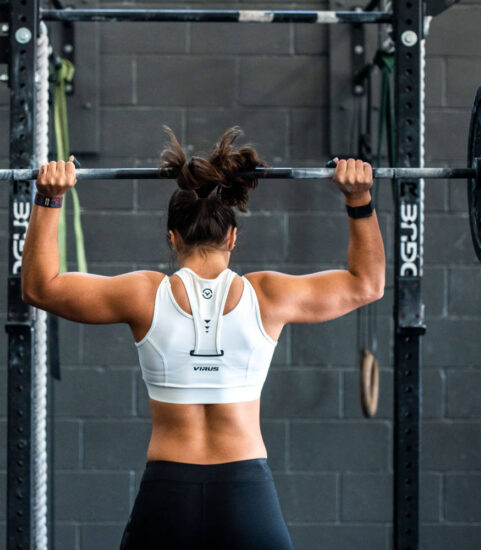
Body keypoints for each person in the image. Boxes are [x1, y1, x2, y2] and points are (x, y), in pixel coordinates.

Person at [21, 127, 385, 550]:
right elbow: (367, 284)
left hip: (167, 495)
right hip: (246, 492)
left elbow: (39, 287)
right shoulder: (268, 295)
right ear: (232, 236)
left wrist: (50, 199)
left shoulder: (144, 295)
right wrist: (359, 200)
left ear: (172, 237)